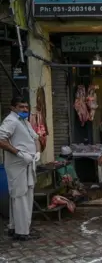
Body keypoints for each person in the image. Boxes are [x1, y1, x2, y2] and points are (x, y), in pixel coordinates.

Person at [0, 97, 41, 241]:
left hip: (27, 163)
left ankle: (15, 227)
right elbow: (1, 139)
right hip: (18, 165)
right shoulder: (11, 121)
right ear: (13, 108)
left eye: (26, 107)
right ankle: (22, 232)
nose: (24, 110)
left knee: (20, 197)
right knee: (21, 197)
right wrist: (19, 153)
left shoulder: (24, 121)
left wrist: (37, 152)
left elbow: (36, 138)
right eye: (21, 107)